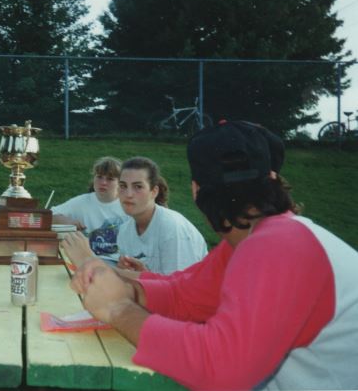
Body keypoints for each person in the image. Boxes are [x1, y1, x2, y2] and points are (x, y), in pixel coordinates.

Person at [70, 121, 358, 390]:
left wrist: (119, 308)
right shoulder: (259, 240)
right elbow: (184, 296)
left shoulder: (277, 244)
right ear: (271, 179)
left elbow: (221, 367)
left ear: (196, 191)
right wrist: (127, 289)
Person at [115, 156, 207, 274]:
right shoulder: (124, 231)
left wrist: (143, 277)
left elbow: (180, 288)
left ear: (154, 191)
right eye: (123, 186)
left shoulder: (172, 228)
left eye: (138, 187)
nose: (128, 194)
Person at [51, 156, 129, 256]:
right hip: (87, 260)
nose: (103, 182)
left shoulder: (129, 205)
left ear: (120, 183)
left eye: (110, 179)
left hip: (121, 262)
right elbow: (49, 216)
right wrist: (68, 222)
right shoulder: (82, 202)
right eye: (99, 177)